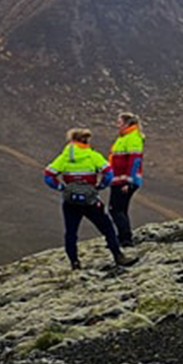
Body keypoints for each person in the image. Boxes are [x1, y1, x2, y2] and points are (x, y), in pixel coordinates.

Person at [44, 128, 136, 270]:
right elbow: (108, 173)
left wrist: (62, 188)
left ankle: (75, 263)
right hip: (90, 200)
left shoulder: (64, 158)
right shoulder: (93, 156)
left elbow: (48, 175)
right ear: (86, 141)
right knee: (107, 228)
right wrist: (99, 186)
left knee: (71, 232)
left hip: (70, 202)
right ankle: (118, 256)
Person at [108, 112, 145, 247]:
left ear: (126, 123)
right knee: (120, 209)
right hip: (119, 179)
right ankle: (123, 237)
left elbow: (134, 161)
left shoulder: (132, 138)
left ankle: (125, 239)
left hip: (123, 180)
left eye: (119, 122)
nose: (117, 125)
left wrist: (128, 181)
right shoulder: (124, 138)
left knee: (116, 209)